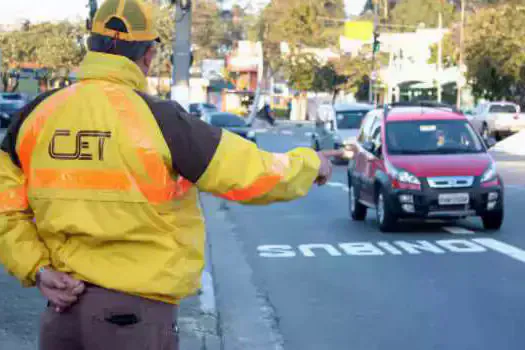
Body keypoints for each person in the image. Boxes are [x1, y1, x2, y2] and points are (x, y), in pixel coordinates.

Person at [0, 0, 342, 349]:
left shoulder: (33, 117)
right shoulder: (159, 120)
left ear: (92, 45)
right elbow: (249, 174)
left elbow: (5, 209)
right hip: (133, 320)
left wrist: (37, 268)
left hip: (61, 314)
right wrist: (310, 164)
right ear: (148, 55)